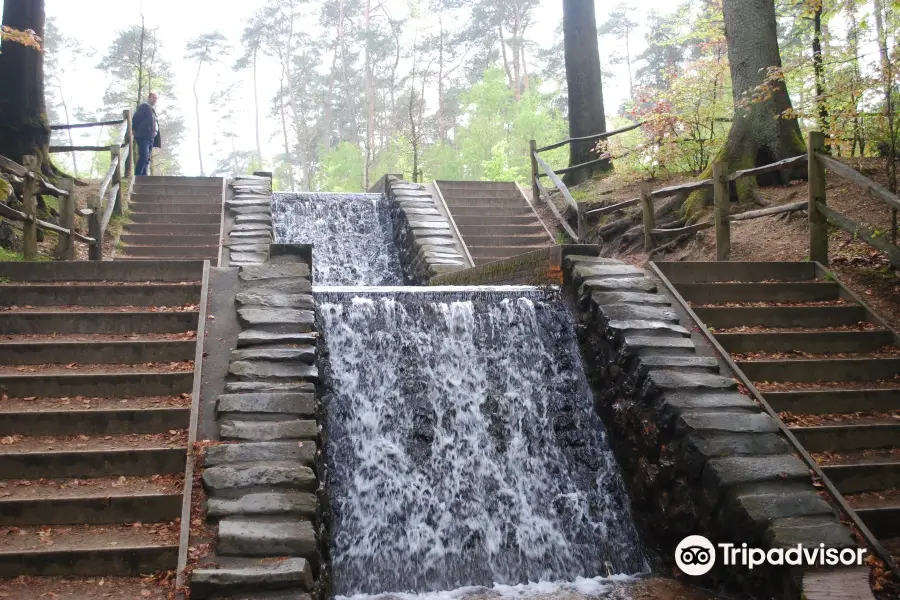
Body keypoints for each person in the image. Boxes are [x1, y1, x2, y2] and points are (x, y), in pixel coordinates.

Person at [132, 92, 162, 176]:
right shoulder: (144, 106)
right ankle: (138, 174)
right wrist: (134, 129)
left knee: (147, 158)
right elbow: (136, 118)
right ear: (149, 98)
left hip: (150, 138)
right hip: (143, 136)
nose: (155, 99)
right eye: (153, 97)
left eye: (156, 98)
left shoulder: (152, 110)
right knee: (144, 156)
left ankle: (144, 174)